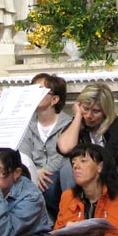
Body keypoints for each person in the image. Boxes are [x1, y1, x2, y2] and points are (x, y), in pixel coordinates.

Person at [17, 73, 72, 218]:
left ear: (54, 99)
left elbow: (64, 154)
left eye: (40, 90)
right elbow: (24, 154)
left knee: (49, 185)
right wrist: (35, 172)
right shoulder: (27, 124)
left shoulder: (67, 124)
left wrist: (45, 170)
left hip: (55, 173)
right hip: (32, 172)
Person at [56, 83, 118, 189]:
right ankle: (72, 200)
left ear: (106, 111)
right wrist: (78, 117)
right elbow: (65, 148)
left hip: (107, 172)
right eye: (85, 109)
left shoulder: (117, 125)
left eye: (96, 111)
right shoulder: (78, 123)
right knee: (67, 166)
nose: (89, 116)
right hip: (84, 173)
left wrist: (89, 166)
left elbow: (111, 157)